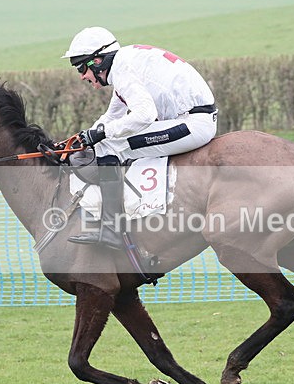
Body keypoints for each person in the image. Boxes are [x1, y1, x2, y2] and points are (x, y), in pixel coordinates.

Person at [61, 26, 217, 249]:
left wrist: (101, 134)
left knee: (109, 146)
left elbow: (145, 115)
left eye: (81, 68)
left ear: (98, 61)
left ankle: (112, 230)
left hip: (193, 124)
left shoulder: (123, 69)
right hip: (191, 118)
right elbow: (111, 116)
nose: (82, 76)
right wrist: (79, 141)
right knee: (106, 140)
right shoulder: (124, 63)